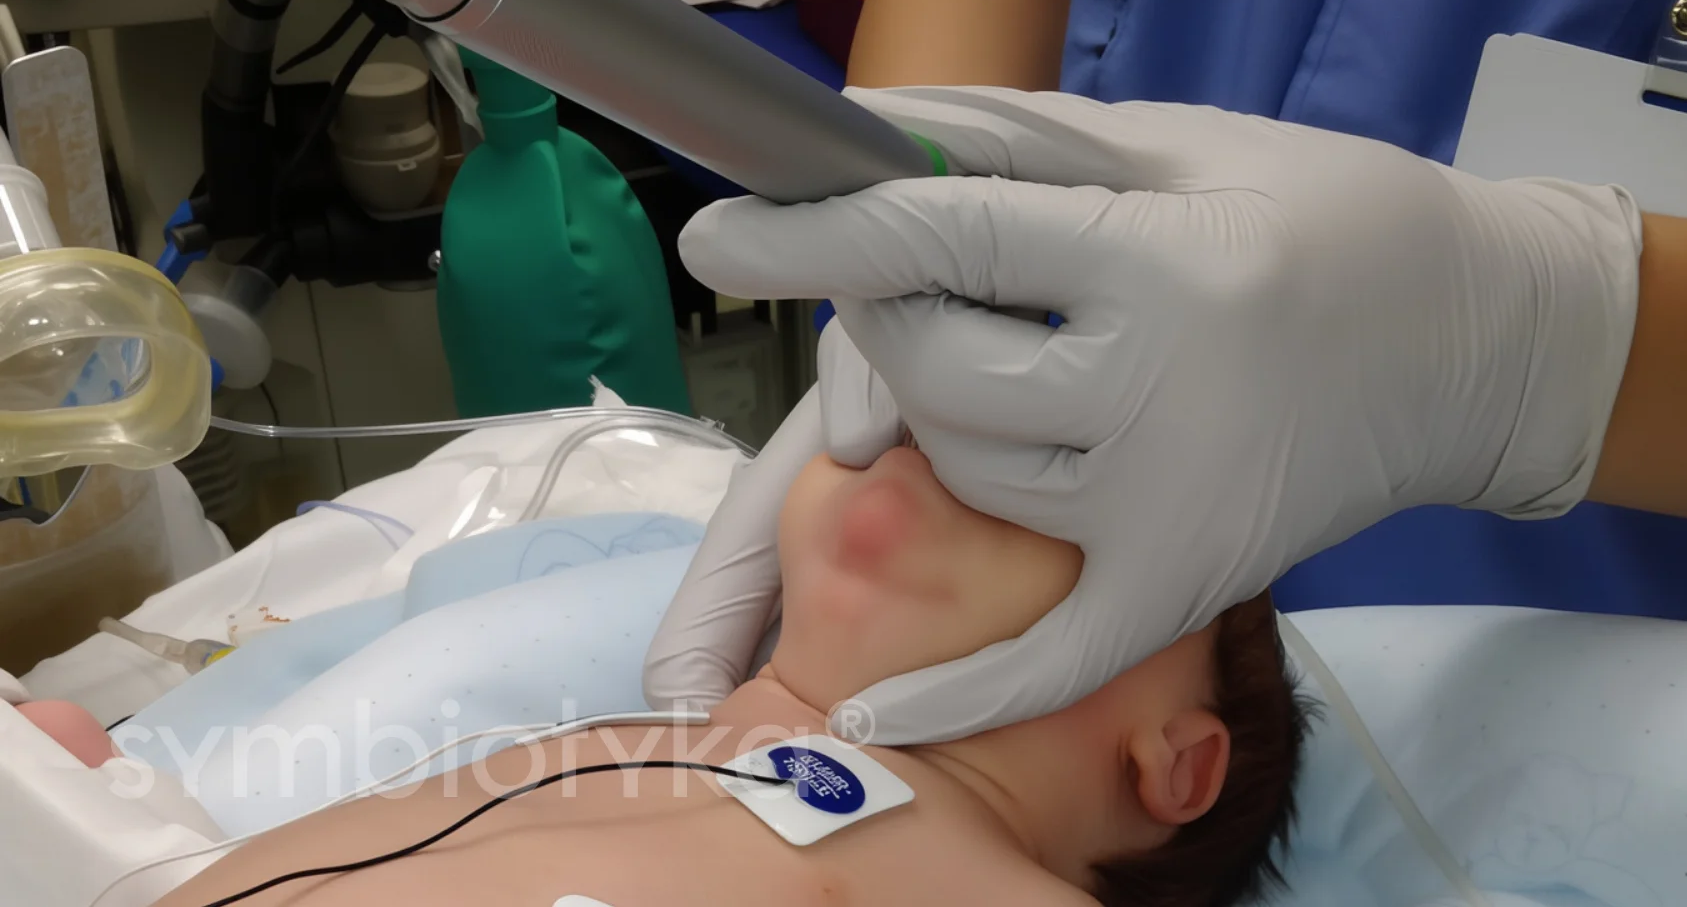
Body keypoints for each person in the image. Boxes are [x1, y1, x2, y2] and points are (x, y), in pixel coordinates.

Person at [644, 0, 1687, 746]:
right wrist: (928, 201)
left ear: (1177, 772)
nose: (918, 475)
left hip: (1667, 684)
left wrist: (1540, 347)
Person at [152, 440, 1310, 907]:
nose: (945, 444)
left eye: (1070, 476)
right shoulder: (628, 737)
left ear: (1177, 764)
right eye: (913, 423)